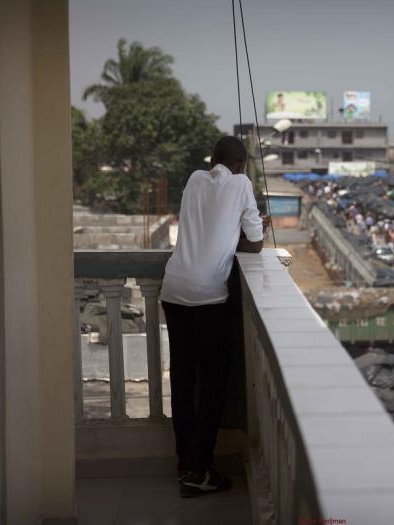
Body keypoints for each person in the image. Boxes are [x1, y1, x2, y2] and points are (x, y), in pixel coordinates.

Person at [161, 136, 264, 498]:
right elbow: (255, 241)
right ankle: (198, 471)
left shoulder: (193, 179)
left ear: (213, 160)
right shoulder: (241, 183)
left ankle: (184, 463)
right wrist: (237, 231)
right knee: (213, 386)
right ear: (241, 164)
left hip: (173, 291)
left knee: (183, 382)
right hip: (207, 297)